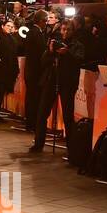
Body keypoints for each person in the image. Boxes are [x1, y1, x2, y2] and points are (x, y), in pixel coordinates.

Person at [31, 20, 85, 152]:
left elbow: (79, 61)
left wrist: (67, 54)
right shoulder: (54, 43)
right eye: (63, 29)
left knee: (67, 116)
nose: (65, 32)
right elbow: (43, 62)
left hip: (67, 83)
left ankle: (71, 149)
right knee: (42, 113)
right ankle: (38, 144)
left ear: (73, 31)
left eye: (68, 30)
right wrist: (50, 51)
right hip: (51, 81)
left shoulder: (77, 45)